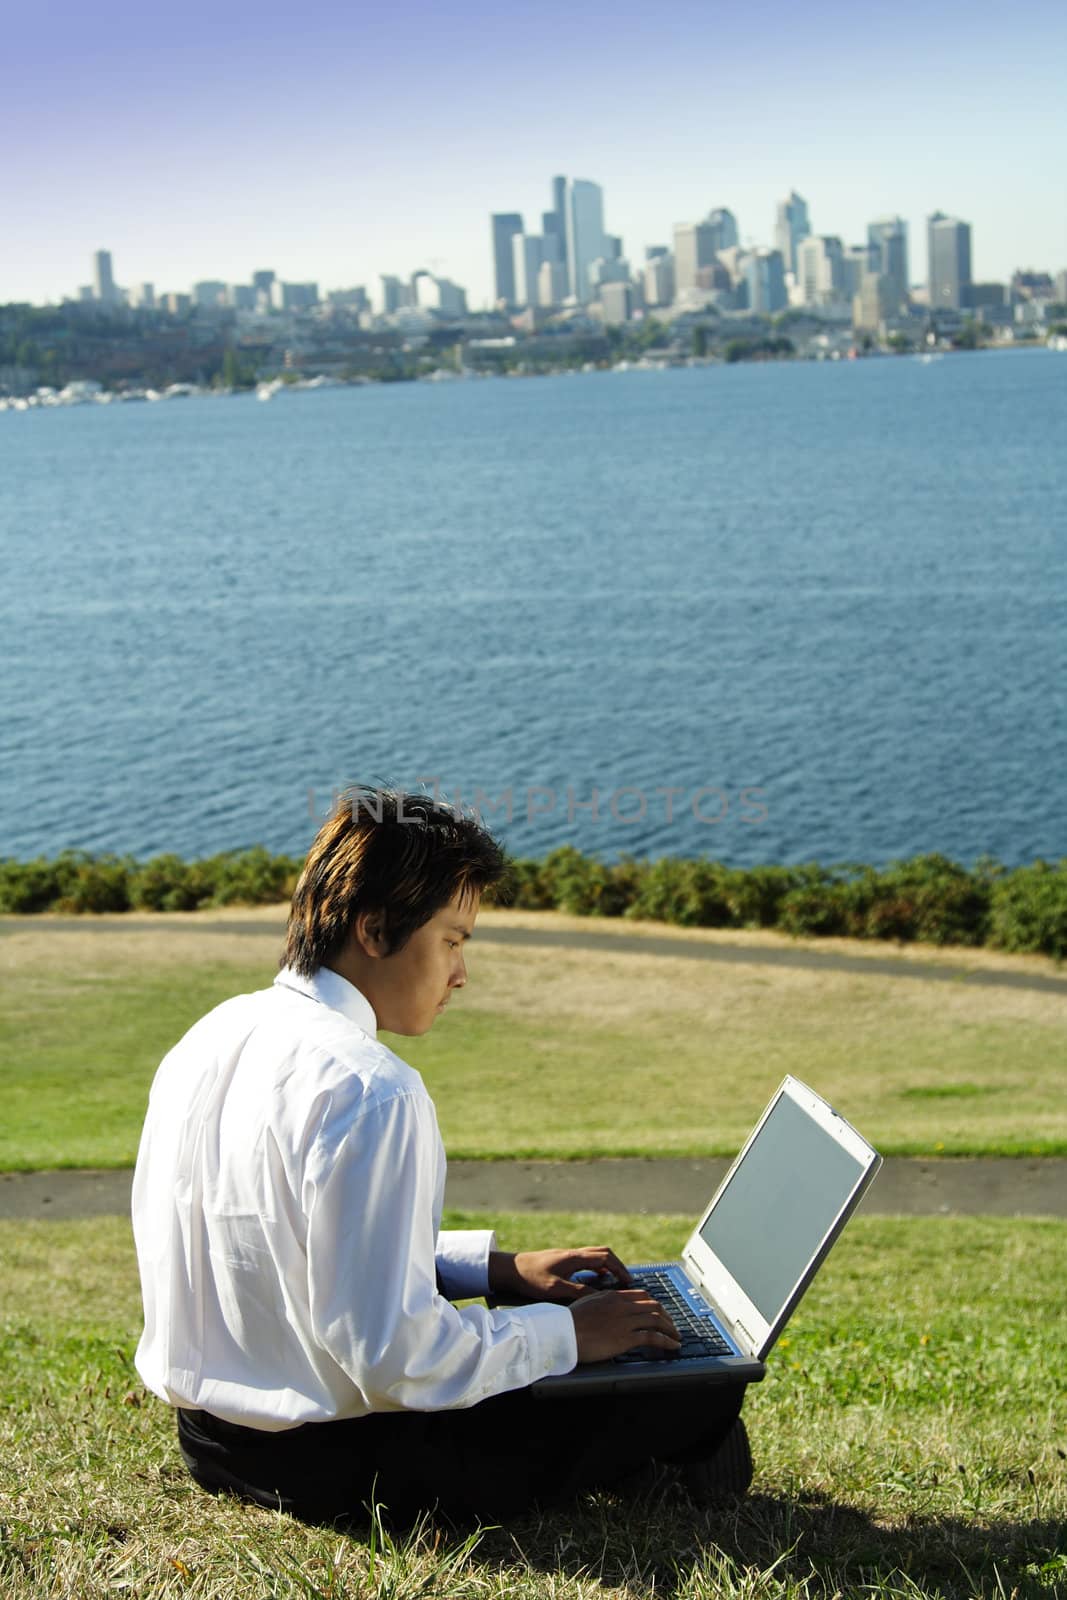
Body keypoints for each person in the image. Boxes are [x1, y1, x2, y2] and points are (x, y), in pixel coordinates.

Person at [132, 787, 750, 1525]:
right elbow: (396, 1355)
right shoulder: (372, 1089)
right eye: (452, 941)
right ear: (374, 928)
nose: (460, 974)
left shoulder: (216, 1032)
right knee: (702, 1385)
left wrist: (493, 1270)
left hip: (208, 1440)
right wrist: (570, 1335)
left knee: (582, 1343)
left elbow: (284, 1239)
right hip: (345, 1466)